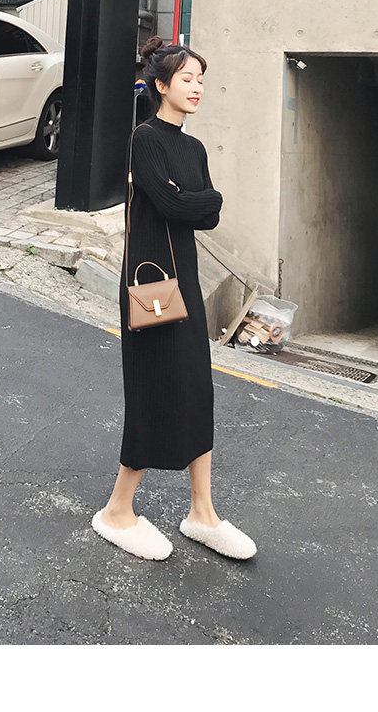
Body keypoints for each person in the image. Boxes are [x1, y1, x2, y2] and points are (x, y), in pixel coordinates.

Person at [92, 35, 257, 561]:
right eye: (187, 79)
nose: (197, 87)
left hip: (184, 282)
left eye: (201, 79)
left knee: (196, 390)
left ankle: (202, 513)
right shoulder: (145, 139)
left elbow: (207, 213)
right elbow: (172, 205)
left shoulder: (194, 148)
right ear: (161, 85)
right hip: (152, 286)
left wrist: (195, 200)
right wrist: (195, 199)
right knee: (153, 390)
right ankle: (117, 511)